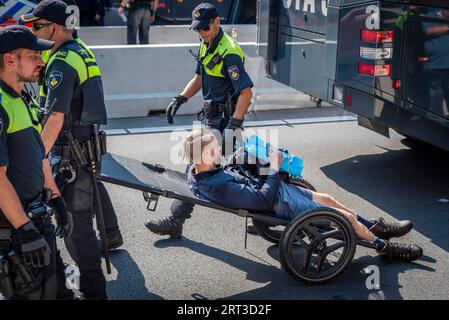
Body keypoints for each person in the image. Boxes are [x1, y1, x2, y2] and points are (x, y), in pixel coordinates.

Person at [182, 128, 423, 261]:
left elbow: (209, 173)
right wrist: (273, 167)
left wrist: (242, 158)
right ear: (203, 156)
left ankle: (373, 226)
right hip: (279, 202)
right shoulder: (218, 184)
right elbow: (262, 201)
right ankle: (383, 247)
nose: (219, 150)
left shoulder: (199, 170)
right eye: (214, 148)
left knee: (328, 199)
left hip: (277, 191)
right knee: (344, 219)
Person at [20, 0, 109, 300]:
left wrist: (36, 160)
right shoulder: (77, 49)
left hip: (72, 155)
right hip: (83, 149)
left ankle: (94, 293)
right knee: (79, 224)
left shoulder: (61, 62)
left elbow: (55, 118)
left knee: (77, 231)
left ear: (55, 28)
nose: (33, 32)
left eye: (37, 26)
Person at [145, 3, 254, 238]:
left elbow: (246, 92)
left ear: (217, 22)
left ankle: (175, 220)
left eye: (204, 28)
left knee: (196, 169)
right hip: (211, 118)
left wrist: (234, 125)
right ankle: (263, 209)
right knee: (240, 165)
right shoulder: (207, 45)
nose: (201, 33)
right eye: (197, 29)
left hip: (224, 121)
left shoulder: (229, 52)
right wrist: (180, 98)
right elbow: (198, 78)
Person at [0, 25, 72, 299]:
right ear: (10, 60)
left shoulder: (22, 95)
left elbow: (37, 153)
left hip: (37, 217)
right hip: (16, 229)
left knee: (59, 293)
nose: (42, 61)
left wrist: (56, 198)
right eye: (33, 55)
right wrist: (25, 229)